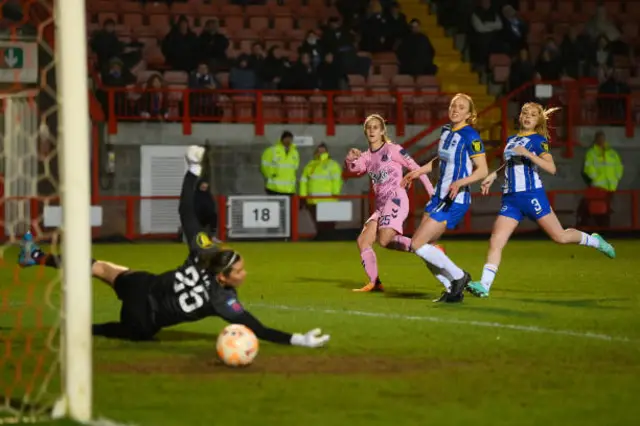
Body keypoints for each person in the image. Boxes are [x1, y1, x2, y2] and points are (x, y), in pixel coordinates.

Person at [17, 236, 330, 347]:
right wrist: (296, 339)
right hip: (144, 318)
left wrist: (192, 172)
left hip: (141, 284)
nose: (245, 274)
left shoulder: (199, 257)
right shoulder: (223, 301)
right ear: (224, 278)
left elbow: (188, 215)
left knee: (99, 268)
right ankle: (82, 330)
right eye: (240, 271)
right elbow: (257, 328)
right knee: (130, 333)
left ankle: (36, 257)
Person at [466, 103, 616, 299]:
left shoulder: (538, 141)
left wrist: (528, 154)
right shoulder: (512, 140)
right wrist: (494, 175)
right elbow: (511, 162)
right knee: (496, 240)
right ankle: (484, 285)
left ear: (538, 121)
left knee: (560, 237)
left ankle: (594, 241)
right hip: (511, 199)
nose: (528, 117)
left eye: (533, 115)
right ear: (519, 117)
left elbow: (551, 167)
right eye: (525, 113)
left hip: (532, 196)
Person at [403, 93, 488, 303]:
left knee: (417, 244)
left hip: (454, 198)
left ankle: (459, 276)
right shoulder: (446, 131)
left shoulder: (471, 136)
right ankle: (452, 289)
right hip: (438, 196)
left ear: (469, 114)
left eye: (461, 107)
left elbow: (483, 170)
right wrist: (419, 171)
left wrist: (461, 182)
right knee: (424, 248)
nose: (455, 109)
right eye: (453, 105)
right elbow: (439, 160)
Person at [345, 114, 435, 292]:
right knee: (363, 240)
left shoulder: (393, 150)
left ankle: (428, 250)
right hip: (380, 206)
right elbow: (355, 169)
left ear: (382, 131)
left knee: (384, 239)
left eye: (375, 127)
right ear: (365, 131)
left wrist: (432, 192)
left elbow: (416, 168)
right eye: (369, 127)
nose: (372, 130)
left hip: (396, 199)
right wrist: (350, 159)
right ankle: (374, 282)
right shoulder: (366, 156)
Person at [261, 131, 300, 196]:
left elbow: (295, 167)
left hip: (289, 189)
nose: (288, 141)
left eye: (290, 139)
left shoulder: (295, 152)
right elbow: (264, 165)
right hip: (274, 188)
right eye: (286, 138)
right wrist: (271, 175)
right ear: (282, 139)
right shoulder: (272, 150)